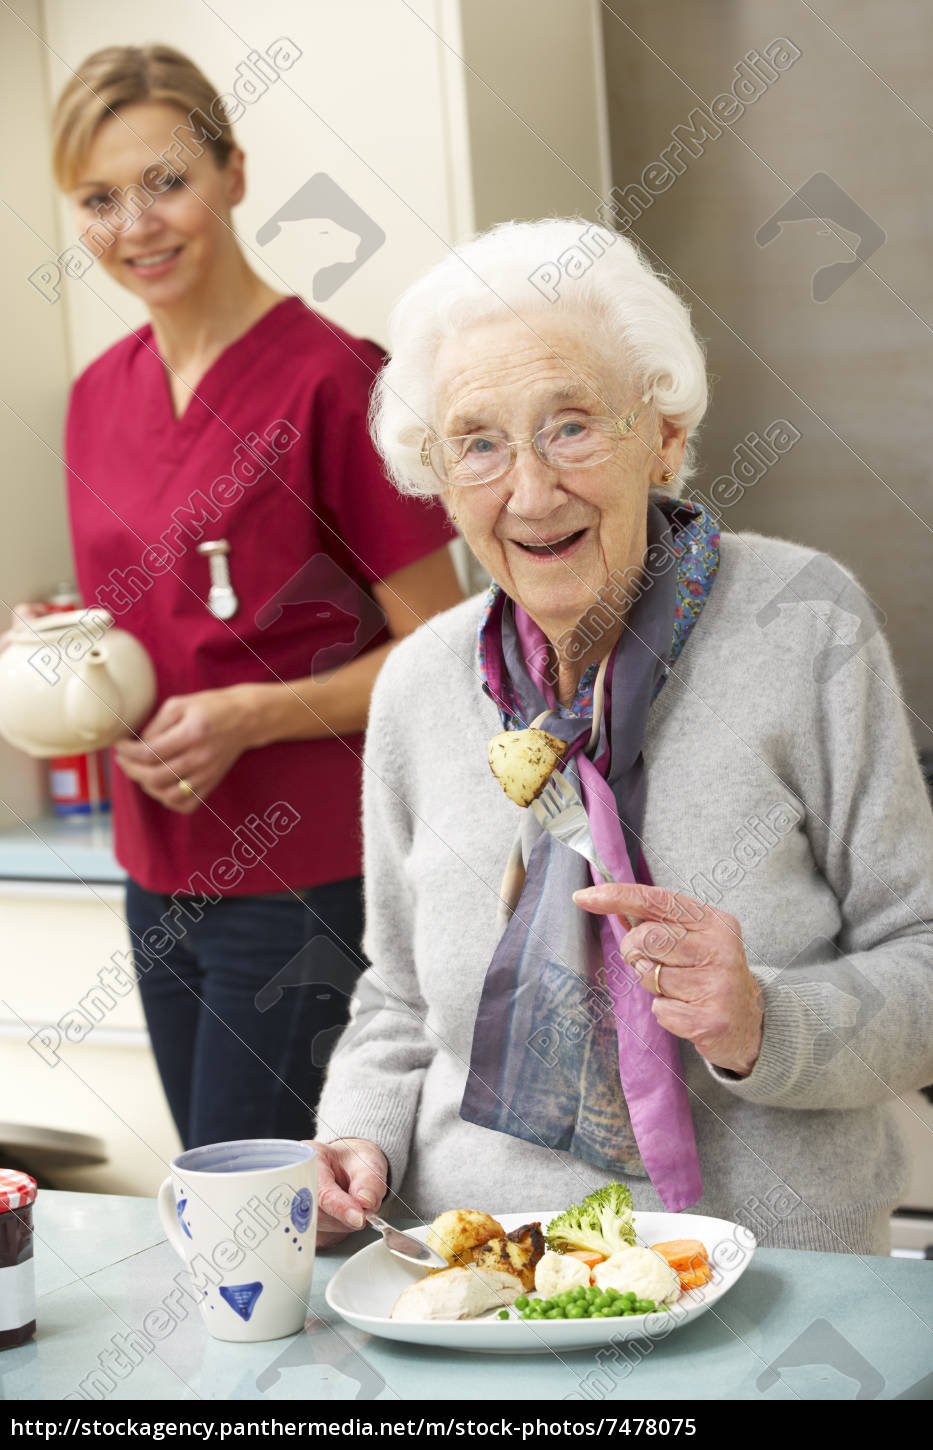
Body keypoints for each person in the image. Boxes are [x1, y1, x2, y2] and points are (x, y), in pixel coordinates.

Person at [308, 217, 933, 1255]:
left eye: (572, 425)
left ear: (666, 437)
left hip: (766, 1269)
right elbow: (399, 999)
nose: (532, 490)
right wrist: (355, 1138)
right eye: (479, 443)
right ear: (441, 479)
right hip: (489, 1271)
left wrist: (760, 1020)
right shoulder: (420, 683)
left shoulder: (804, 623)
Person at [43, 45, 462, 1149]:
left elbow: (447, 646)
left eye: (166, 181)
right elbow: (145, 627)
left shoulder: (334, 378)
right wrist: (57, 669)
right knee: (217, 1208)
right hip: (155, 872)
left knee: (272, 1218)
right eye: (98, 198)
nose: (136, 225)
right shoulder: (95, 397)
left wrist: (251, 714)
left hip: (306, 877)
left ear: (234, 172)